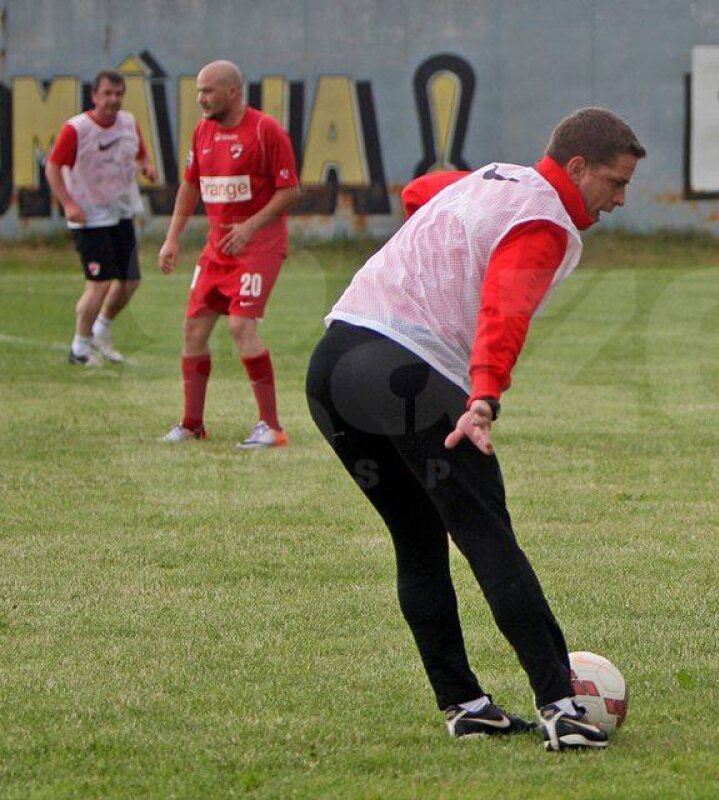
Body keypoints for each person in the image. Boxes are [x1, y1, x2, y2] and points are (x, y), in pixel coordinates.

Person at [305, 108, 644, 749]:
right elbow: (504, 309)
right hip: (408, 371)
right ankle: (562, 707)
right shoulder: (543, 219)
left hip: (333, 365)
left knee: (418, 535)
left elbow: (419, 193)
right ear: (577, 168)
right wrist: (484, 396)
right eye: (615, 182)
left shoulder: (489, 178)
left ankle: (465, 704)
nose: (620, 200)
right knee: (489, 537)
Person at [157, 59, 300, 448]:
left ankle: (271, 426)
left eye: (207, 90)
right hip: (217, 249)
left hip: (260, 247)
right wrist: (172, 239)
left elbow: (290, 190)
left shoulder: (265, 130)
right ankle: (191, 424)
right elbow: (190, 187)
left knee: (240, 326)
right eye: (199, 91)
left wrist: (250, 226)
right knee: (193, 330)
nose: (200, 98)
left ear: (232, 91)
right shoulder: (202, 131)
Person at [46, 70, 157, 366]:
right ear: (94, 96)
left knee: (130, 281)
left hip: (120, 212)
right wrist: (68, 203)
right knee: (100, 283)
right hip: (89, 217)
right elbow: (53, 167)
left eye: (118, 93)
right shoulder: (77, 129)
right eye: (107, 93)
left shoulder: (129, 123)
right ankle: (79, 349)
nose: (113, 99)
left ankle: (100, 330)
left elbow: (141, 154)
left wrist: (147, 166)